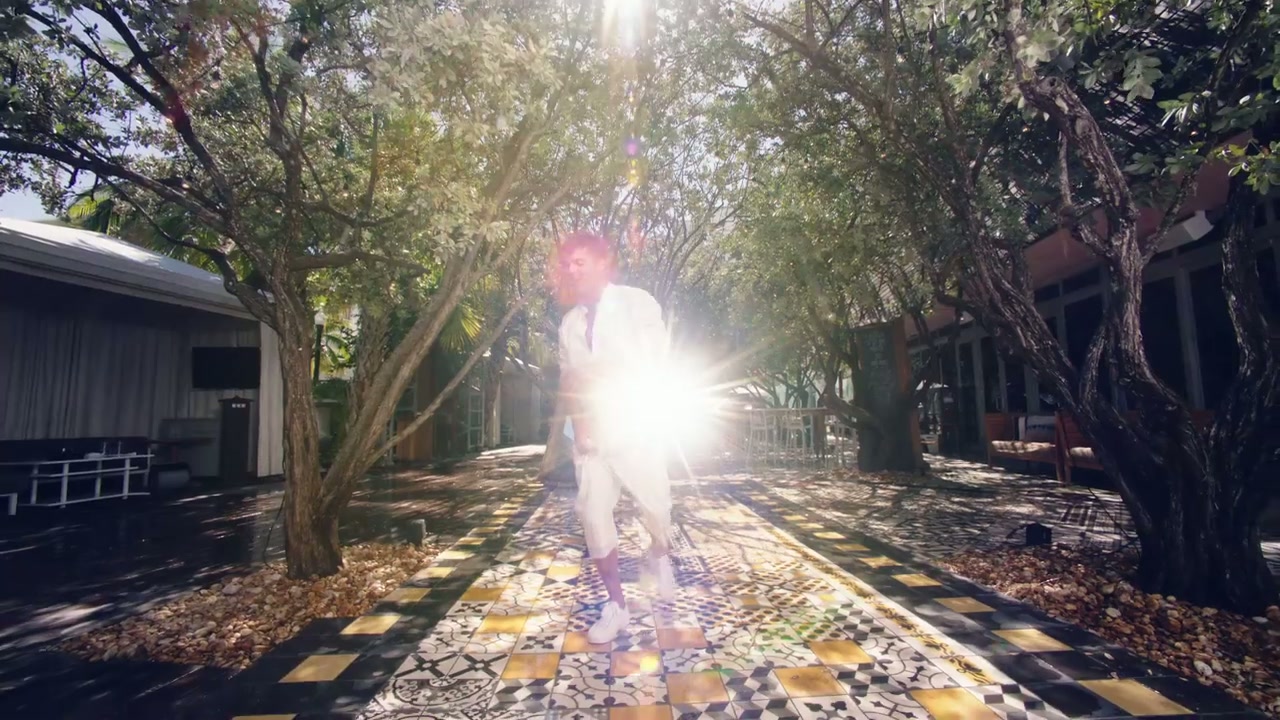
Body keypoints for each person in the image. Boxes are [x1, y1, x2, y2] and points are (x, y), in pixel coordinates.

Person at [556, 231, 676, 644]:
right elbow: (568, 381)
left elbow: (650, 362)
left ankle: (658, 552)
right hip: (590, 435)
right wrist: (581, 429)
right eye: (567, 264)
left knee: (657, 507)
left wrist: (593, 375)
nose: (572, 270)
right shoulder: (569, 325)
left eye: (580, 262)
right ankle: (616, 606)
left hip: (635, 425)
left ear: (603, 264)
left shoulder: (637, 303)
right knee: (592, 514)